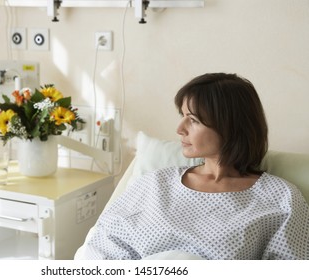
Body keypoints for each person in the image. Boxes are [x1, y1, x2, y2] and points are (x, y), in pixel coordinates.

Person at [82, 73, 309, 260]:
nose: (180, 128)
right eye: (182, 115)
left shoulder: (281, 198)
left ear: (230, 126)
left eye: (194, 120)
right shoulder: (154, 183)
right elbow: (102, 246)